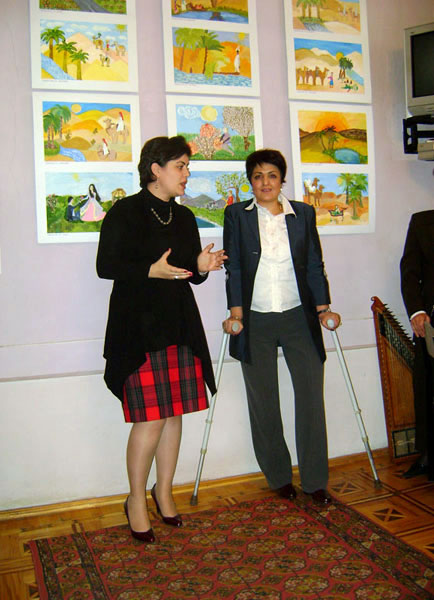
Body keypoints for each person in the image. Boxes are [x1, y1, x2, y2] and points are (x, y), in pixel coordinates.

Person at [97, 135, 227, 543]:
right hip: (138, 329)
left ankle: (164, 491)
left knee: (174, 414)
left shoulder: (184, 217)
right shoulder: (125, 212)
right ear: (156, 169)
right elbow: (106, 265)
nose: (187, 174)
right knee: (150, 418)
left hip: (178, 324)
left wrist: (201, 265)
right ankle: (136, 499)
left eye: (187, 166)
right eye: (180, 166)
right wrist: (149, 270)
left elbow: (187, 270)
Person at [223, 148, 341, 504]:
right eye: (258, 176)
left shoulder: (302, 213)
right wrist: (236, 314)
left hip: (297, 316)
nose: (265, 182)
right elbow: (235, 267)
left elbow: (314, 264)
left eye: (272, 175)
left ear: (282, 179)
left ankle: (315, 481)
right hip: (255, 318)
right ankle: (278, 476)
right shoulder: (237, 215)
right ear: (251, 181)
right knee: (264, 402)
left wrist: (323, 309)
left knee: (310, 398)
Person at [400, 210, 434, 480]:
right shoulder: (423, 222)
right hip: (431, 323)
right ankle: (427, 456)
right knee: (427, 390)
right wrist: (416, 311)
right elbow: (410, 272)